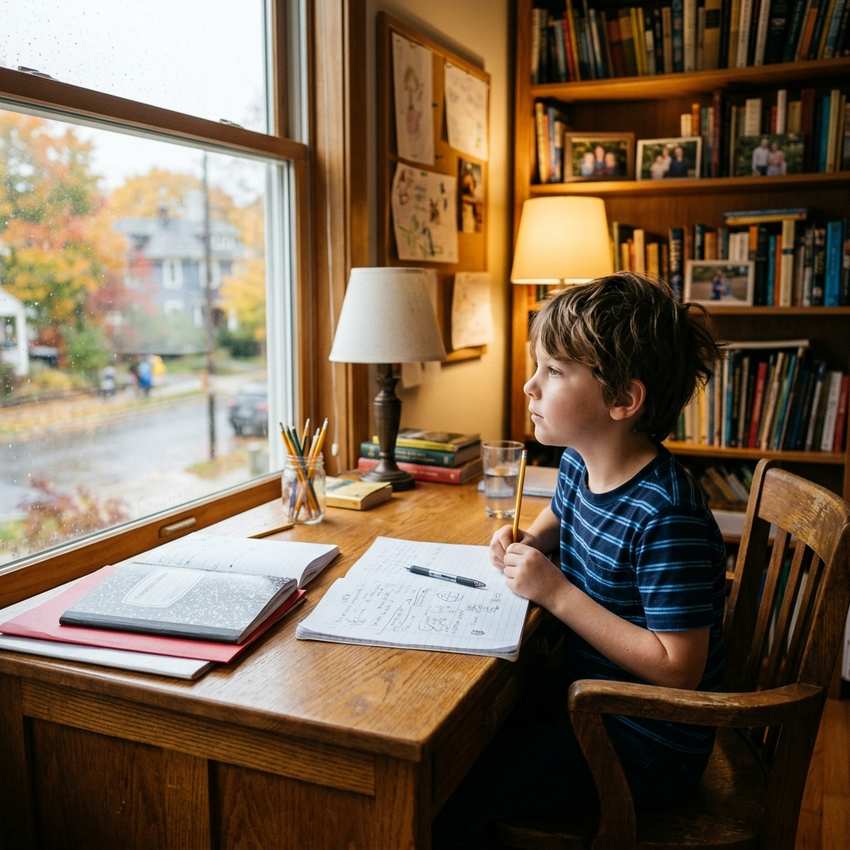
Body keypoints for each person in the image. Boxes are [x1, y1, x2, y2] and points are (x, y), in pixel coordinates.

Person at [434, 273, 725, 848]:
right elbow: (560, 519)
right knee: (463, 737)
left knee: (454, 784)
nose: (528, 386)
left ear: (622, 399)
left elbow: (678, 668)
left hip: (641, 740)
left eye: (554, 371)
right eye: (536, 367)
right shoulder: (577, 462)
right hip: (585, 696)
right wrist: (527, 539)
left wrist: (556, 593)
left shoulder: (667, 515)